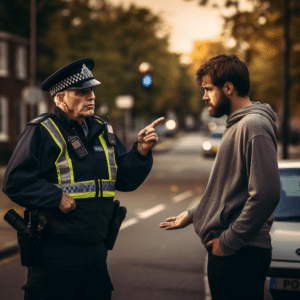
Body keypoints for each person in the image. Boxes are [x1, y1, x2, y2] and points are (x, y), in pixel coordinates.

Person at [3, 57, 164, 300]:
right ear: (60, 98)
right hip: (55, 254)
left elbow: (126, 180)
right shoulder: (42, 130)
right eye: (81, 92)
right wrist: (55, 197)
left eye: (91, 90)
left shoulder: (102, 130)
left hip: (97, 252)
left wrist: (141, 151)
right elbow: (15, 181)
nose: (91, 96)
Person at [160, 54, 280, 300]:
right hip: (235, 252)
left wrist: (228, 242)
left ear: (228, 88)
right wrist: (195, 214)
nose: (204, 97)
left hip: (241, 254)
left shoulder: (253, 126)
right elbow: (231, 189)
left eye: (208, 89)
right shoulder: (237, 124)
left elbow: (266, 194)